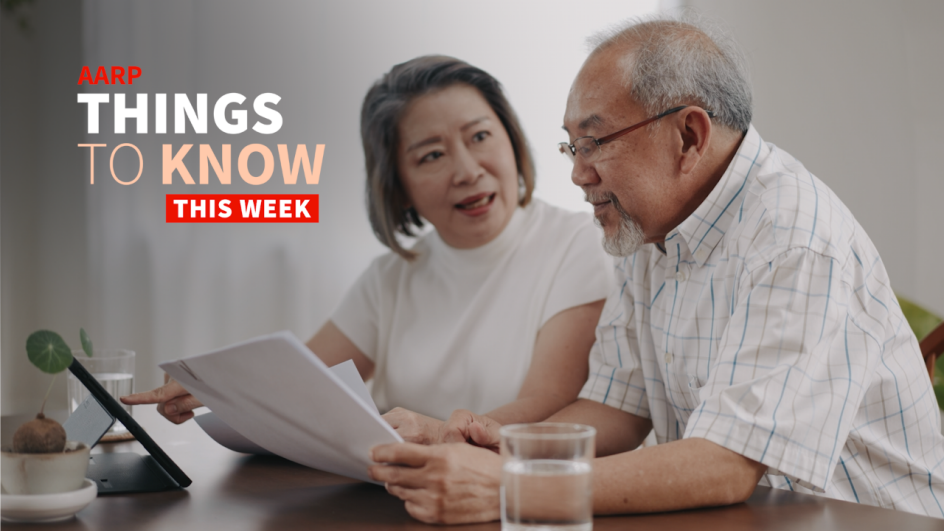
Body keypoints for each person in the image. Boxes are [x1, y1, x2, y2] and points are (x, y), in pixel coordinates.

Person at [367, 15, 944, 524]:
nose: (578, 174)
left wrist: (512, 486)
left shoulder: (795, 238)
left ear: (688, 136)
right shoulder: (646, 228)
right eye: (572, 147)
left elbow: (725, 465)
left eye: (594, 143)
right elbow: (616, 407)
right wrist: (491, 444)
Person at [121, 56, 614, 441]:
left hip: (511, 498)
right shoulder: (392, 277)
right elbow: (301, 383)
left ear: (512, 141)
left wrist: (443, 434)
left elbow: (550, 401)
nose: (467, 170)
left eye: (480, 136)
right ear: (398, 184)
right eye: (433, 155)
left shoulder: (576, 244)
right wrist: (218, 389)